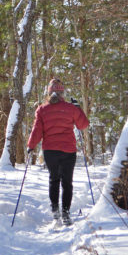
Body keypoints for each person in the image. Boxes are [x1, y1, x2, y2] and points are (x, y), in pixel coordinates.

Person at [27, 78, 89, 225]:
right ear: (62, 93)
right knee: (67, 182)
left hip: (50, 151)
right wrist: (78, 108)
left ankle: (55, 210)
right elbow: (83, 125)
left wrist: (31, 145)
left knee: (54, 179)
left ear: (49, 93)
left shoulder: (42, 109)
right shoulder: (70, 108)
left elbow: (37, 130)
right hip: (68, 150)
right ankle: (66, 213)